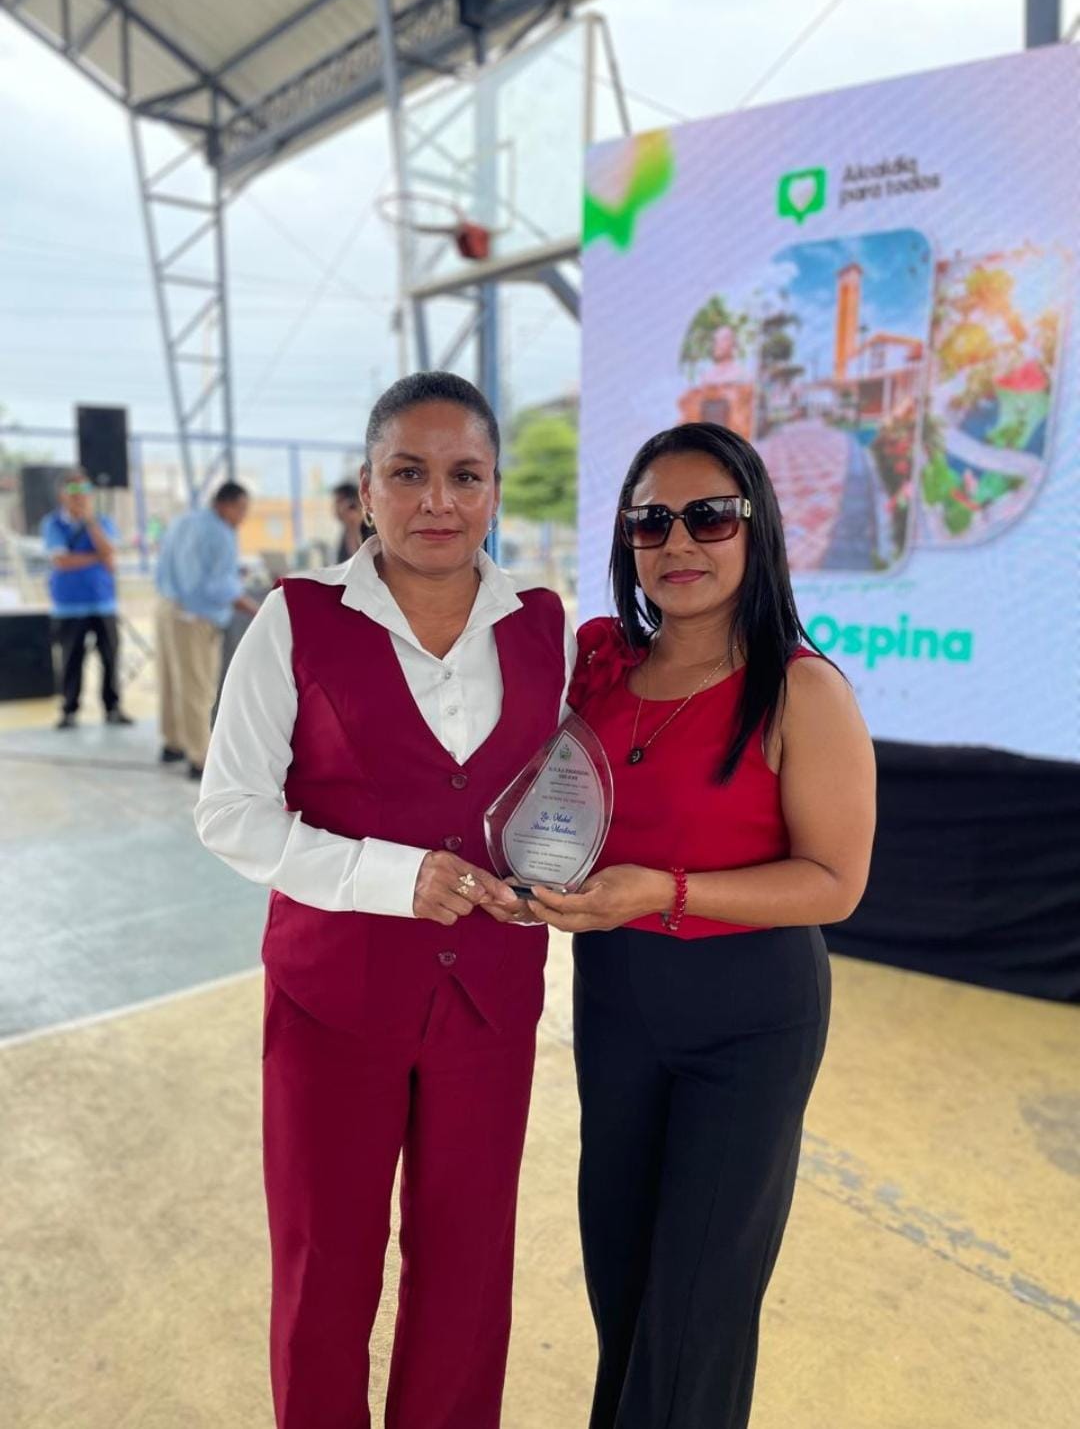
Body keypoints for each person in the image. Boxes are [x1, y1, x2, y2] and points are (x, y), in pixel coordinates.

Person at [194, 372, 576, 1429]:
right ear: (366, 490)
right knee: (325, 1265)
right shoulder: (297, 620)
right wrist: (389, 877)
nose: (437, 500)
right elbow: (230, 812)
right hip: (334, 1000)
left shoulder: (546, 627)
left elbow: (560, 791)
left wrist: (559, 868)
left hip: (490, 1000)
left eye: (465, 475)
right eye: (408, 474)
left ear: (495, 489)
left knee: (468, 1266)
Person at [526, 422, 876, 1429]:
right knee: (623, 1282)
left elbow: (835, 883)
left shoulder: (801, 688)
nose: (678, 542)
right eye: (651, 522)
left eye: (709, 516)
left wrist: (663, 891)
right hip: (616, 1008)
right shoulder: (600, 671)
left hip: (748, 1018)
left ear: (756, 530)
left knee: (697, 1311)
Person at [155, 481, 258, 780]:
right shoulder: (220, 533)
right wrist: (257, 609)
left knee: (172, 682)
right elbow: (217, 587)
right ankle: (200, 757)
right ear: (225, 504)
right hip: (195, 617)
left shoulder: (185, 521)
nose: (243, 517)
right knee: (197, 687)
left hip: (167, 608)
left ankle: (173, 744)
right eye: (241, 509)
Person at [41, 472, 133, 730]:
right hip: (69, 606)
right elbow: (61, 561)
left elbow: (109, 551)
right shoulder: (53, 524)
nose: (79, 497)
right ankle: (69, 709)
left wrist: (91, 523)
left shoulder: (102, 522)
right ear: (62, 495)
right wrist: (97, 558)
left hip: (103, 603)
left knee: (110, 658)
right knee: (71, 659)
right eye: (73, 492)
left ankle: (112, 707)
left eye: (84, 491)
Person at [331, 477, 373, 561]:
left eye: (338, 502)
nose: (335, 508)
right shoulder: (345, 532)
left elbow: (363, 561)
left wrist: (355, 525)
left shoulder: (368, 529)